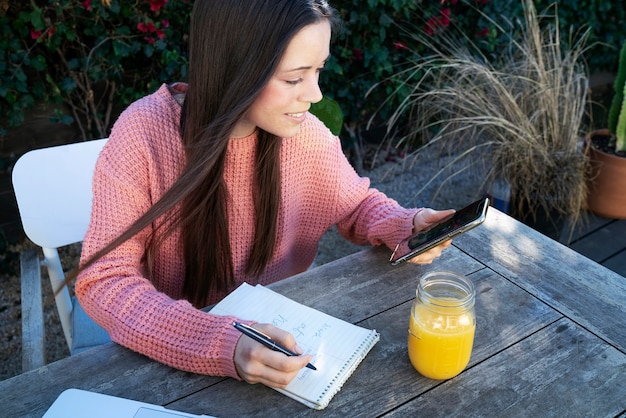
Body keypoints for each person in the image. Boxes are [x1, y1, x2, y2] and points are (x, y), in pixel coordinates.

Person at [75, 0, 454, 390]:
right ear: (235, 71)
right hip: (171, 356)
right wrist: (220, 342)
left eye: (318, 70)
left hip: (280, 340)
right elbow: (104, 280)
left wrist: (403, 225)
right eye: (294, 78)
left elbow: (356, 203)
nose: (316, 95)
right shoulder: (144, 135)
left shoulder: (301, 133)